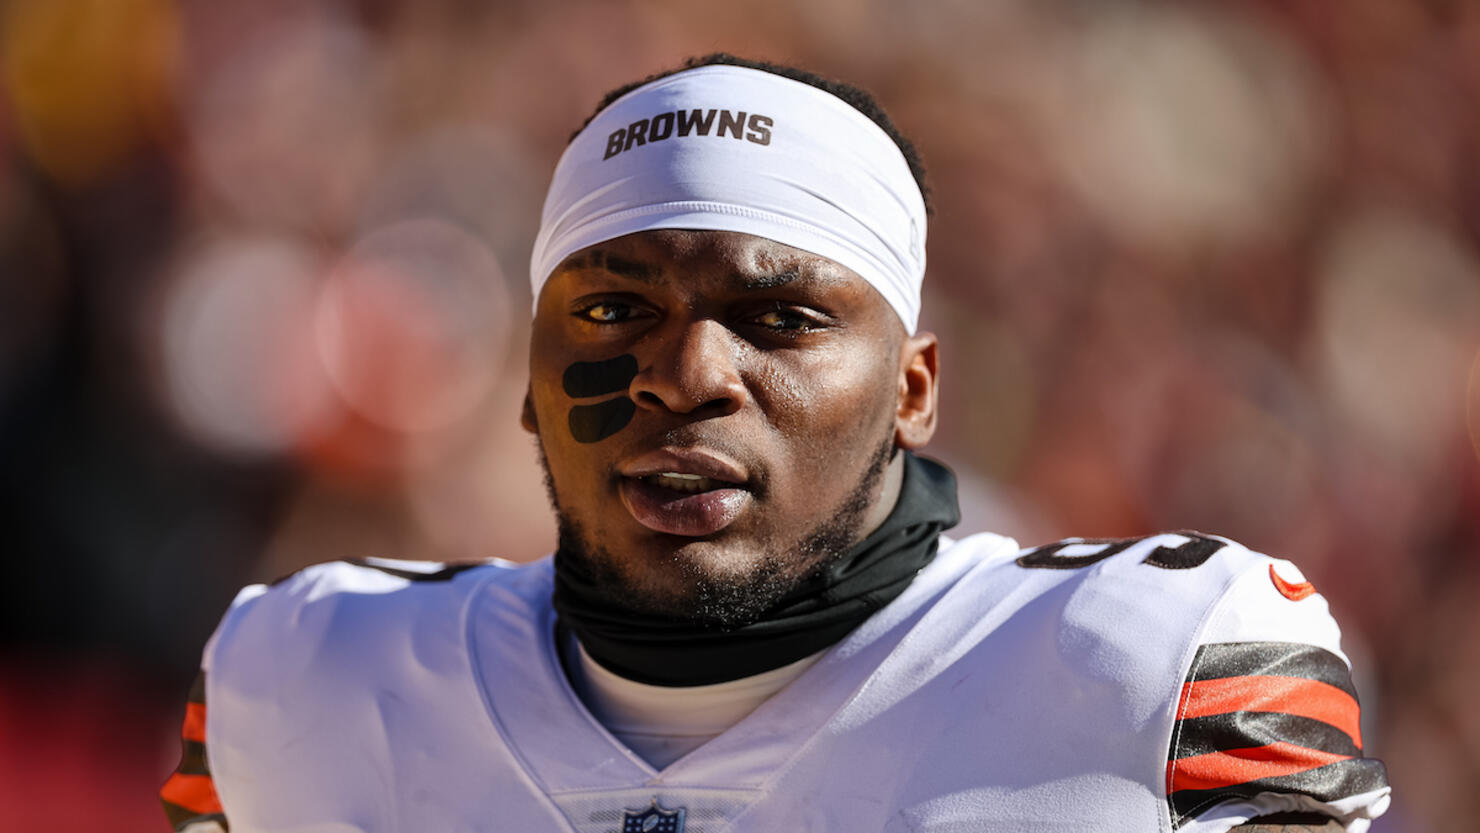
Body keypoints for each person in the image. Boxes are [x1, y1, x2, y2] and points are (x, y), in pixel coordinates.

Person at [160, 54, 1390, 833]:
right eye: (612, 311)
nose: (685, 375)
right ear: (527, 385)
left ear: (912, 389)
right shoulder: (303, 678)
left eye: (777, 318)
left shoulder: (1152, 673)